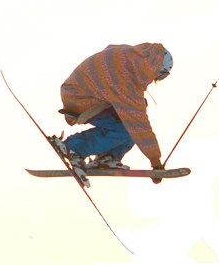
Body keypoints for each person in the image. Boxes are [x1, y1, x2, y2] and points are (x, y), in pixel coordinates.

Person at [51, 43, 173, 181]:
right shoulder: (127, 82)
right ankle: (74, 148)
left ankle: (108, 157)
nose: (154, 80)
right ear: (156, 68)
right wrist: (156, 162)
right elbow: (139, 126)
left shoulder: (129, 54)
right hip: (82, 97)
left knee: (129, 121)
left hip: (79, 90)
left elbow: (109, 49)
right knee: (128, 128)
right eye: (160, 76)